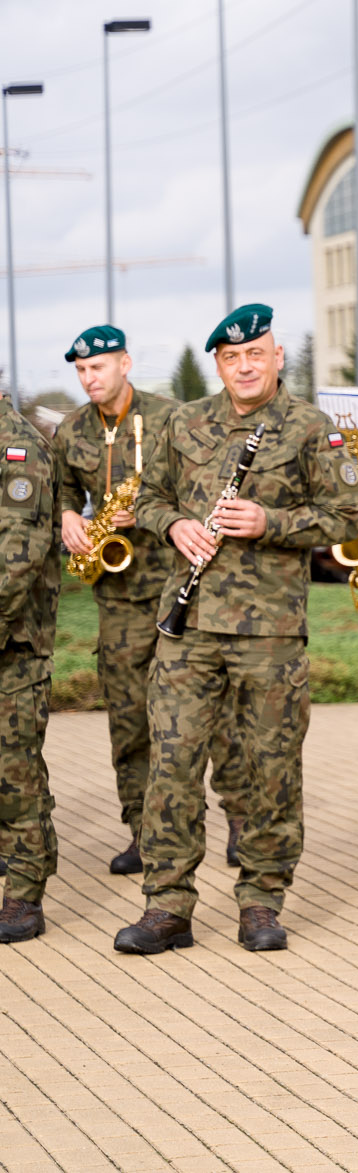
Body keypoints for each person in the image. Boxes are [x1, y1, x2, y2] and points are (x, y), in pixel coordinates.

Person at [115, 304, 358, 955]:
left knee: (268, 768)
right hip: (187, 625)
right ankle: (167, 905)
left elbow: (345, 517)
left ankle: (261, 899)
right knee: (171, 763)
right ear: (219, 364)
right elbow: (145, 497)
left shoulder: (312, 428)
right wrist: (173, 524)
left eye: (255, 352)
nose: (244, 364)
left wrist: (271, 522)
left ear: (277, 355)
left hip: (269, 632)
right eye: (231, 356)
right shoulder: (185, 420)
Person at [52, 325, 245, 875]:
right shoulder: (71, 429)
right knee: (129, 722)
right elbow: (63, 486)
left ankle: (238, 820)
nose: (89, 378)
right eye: (82, 370)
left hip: (176, 589)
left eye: (99, 367)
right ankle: (143, 831)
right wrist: (68, 513)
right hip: (116, 597)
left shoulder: (172, 418)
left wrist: (159, 510)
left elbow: (208, 484)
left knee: (210, 712)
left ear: (125, 364)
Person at [0, 395, 62, 944]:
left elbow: (18, 557)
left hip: (13, 645)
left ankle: (24, 891)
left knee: (13, 773)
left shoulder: (20, 451)